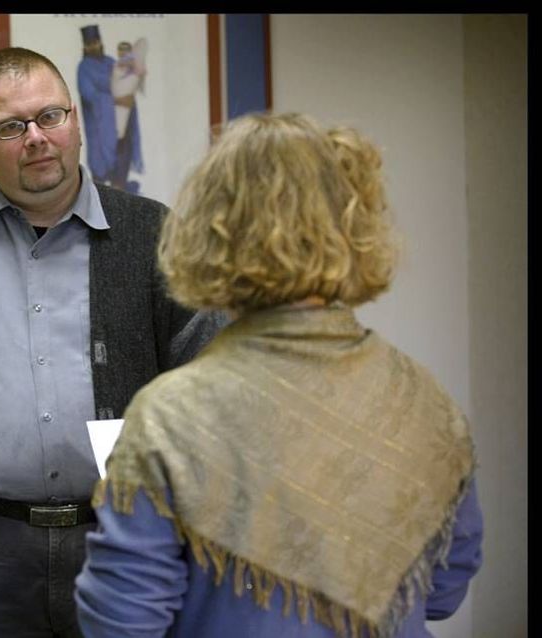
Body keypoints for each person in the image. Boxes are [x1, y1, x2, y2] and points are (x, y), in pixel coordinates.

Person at [75, 112, 484, 637]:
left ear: (211, 231)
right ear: (353, 225)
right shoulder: (427, 402)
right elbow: (445, 591)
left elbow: (121, 622)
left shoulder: (172, 415)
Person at [0, 47, 225, 637]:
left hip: (121, 539)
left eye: (50, 117)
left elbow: (209, 383)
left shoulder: (154, 234)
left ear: (76, 120)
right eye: (11, 127)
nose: (36, 138)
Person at [76, 25, 143, 194]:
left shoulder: (111, 63)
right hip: (100, 130)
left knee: (120, 175)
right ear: (85, 46)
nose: (93, 46)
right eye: (90, 43)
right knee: (100, 179)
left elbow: (125, 84)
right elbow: (89, 95)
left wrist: (128, 96)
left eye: (96, 42)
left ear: (100, 42)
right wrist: (116, 99)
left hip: (122, 126)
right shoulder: (84, 68)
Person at [110, 39, 147, 142]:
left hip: (126, 101)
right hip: (118, 100)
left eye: (125, 50)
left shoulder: (132, 64)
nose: (123, 52)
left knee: (122, 129)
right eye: (121, 50)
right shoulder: (117, 65)